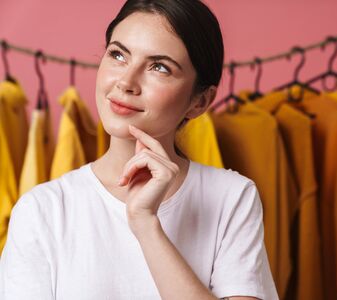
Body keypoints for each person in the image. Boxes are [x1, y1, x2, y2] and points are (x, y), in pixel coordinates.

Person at [0, 0, 278, 299]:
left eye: (159, 67)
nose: (126, 82)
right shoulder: (43, 210)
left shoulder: (232, 197)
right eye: (118, 55)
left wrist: (146, 225)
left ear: (199, 101)